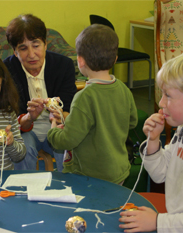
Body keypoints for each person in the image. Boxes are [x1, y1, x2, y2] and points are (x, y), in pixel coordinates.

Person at [119, 51, 183, 232]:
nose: (161, 102)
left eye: (168, 95)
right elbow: (161, 174)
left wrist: (157, 222)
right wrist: (154, 142)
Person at [47, 24, 138, 184]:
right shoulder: (124, 88)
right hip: (119, 171)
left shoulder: (84, 96)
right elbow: (132, 121)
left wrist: (54, 129)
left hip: (91, 175)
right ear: (115, 59)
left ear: (80, 61)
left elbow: (68, 140)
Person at [3, 14, 77, 171]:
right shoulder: (6, 70)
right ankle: (25, 190)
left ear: (45, 44)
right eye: (23, 48)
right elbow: (8, 116)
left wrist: (59, 115)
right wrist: (29, 117)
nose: (31, 54)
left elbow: (69, 108)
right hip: (25, 131)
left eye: (36, 45)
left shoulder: (63, 66)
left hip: (56, 127)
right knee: (23, 150)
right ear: (15, 52)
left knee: (65, 146)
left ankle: (69, 190)